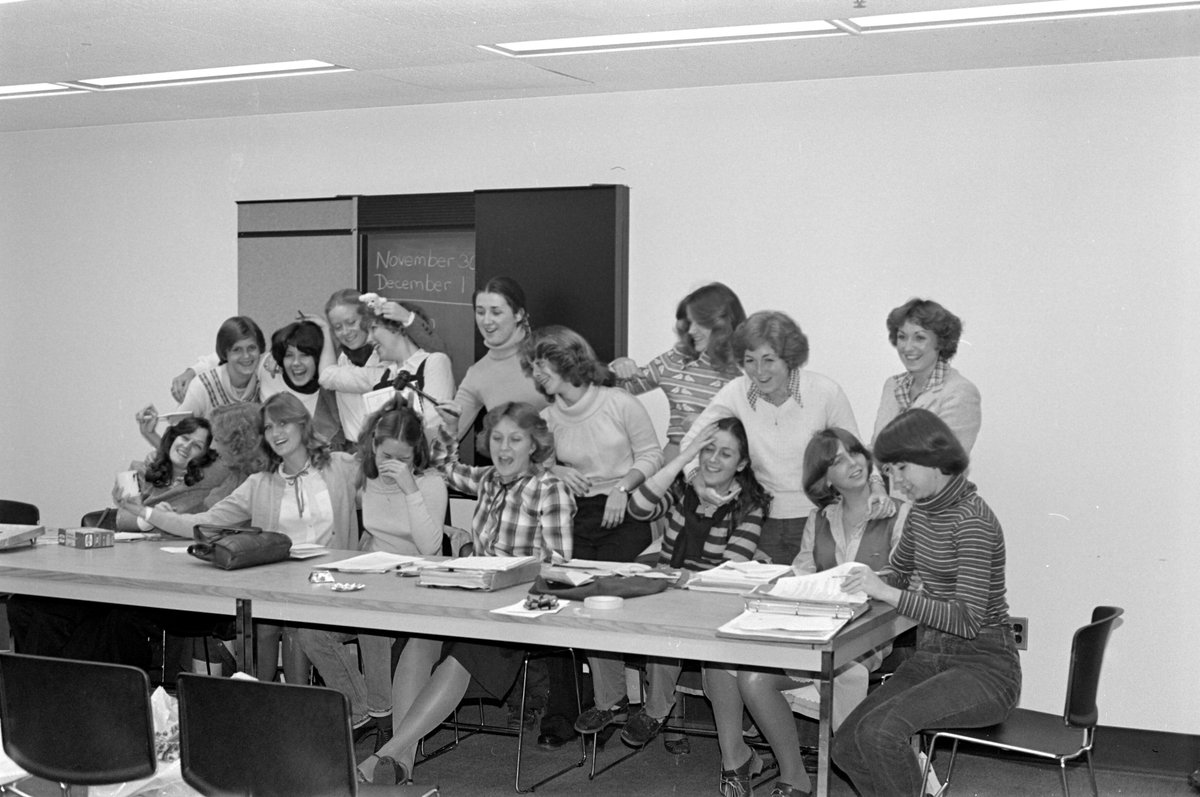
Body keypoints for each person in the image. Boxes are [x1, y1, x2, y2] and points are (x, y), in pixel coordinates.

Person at [356, 402, 574, 785]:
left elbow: (557, 565)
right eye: (498, 438)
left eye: (515, 439)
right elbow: (444, 464)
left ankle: (387, 755)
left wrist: (508, 574)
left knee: (461, 656)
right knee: (421, 638)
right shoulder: (489, 480)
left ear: (533, 446)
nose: (504, 448)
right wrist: (451, 427)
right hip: (473, 597)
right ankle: (401, 762)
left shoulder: (549, 489)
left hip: (516, 609)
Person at [704, 428, 907, 797]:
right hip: (809, 632)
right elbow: (803, 572)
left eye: (855, 453)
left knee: (752, 675)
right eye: (837, 460)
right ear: (824, 478)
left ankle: (791, 774)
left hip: (864, 639)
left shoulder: (898, 513)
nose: (852, 463)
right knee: (728, 665)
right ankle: (780, 772)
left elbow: (913, 582)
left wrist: (874, 580)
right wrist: (778, 581)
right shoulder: (820, 518)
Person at [832, 409, 1021, 797]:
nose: (896, 482)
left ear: (935, 458)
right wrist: (853, 583)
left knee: (882, 734)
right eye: (890, 472)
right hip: (932, 658)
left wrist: (887, 592)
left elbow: (966, 620)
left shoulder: (972, 520)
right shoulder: (923, 513)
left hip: (985, 667)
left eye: (902, 469)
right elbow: (897, 575)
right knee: (847, 746)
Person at [116, 393, 359, 683]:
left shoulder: (340, 466)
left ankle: (297, 706)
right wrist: (146, 512)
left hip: (333, 583)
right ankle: (265, 701)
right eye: (268, 427)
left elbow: (383, 474)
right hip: (279, 584)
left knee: (291, 624)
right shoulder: (260, 483)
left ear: (302, 424)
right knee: (268, 620)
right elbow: (203, 523)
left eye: (283, 423)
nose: (276, 433)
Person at [518, 325, 664, 737]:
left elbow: (651, 455)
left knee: (612, 595)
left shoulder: (618, 402)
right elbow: (528, 461)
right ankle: (611, 701)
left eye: (540, 363)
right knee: (575, 598)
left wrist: (624, 486)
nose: (536, 372)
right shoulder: (547, 417)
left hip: (626, 509)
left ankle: (630, 702)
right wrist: (556, 469)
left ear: (566, 361)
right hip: (577, 514)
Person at [607, 418, 771, 751]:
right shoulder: (684, 490)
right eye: (707, 449)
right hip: (667, 588)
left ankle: (655, 711)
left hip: (713, 600)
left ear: (741, 464)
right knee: (601, 607)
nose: (713, 459)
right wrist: (683, 460)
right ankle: (608, 701)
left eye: (725, 454)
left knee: (667, 623)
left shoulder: (749, 506)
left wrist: (684, 579)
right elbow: (638, 507)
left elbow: (732, 571)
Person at [295, 397, 447, 744]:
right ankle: (362, 711)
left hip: (413, 587)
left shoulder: (430, 484)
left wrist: (410, 490)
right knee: (311, 633)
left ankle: (384, 714)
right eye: (386, 456)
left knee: (371, 622)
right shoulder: (364, 478)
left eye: (403, 459)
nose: (393, 465)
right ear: (373, 447)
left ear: (416, 454)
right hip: (369, 580)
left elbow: (431, 548)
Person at [680, 310, 888, 565]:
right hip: (762, 523)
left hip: (820, 520)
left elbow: (856, 452)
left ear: (789, 358)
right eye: (749, 361)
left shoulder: (825, 392)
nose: (759, 371)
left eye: (769, 360)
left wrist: (877, 487)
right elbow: (690, 443)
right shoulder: (735, 392)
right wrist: (696, 480)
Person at [610, 282, 746, 461]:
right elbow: (618, 390)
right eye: (689, 322)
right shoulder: (676, 360)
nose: (691, 330)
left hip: (720, 468)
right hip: (674, 467)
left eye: (700, 323)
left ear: (721, 324)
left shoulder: (748, 370)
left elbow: (754, 433)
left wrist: (706, 423)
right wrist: (618, 367)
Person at [314, 291, 451, 441]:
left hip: (418, 458)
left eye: (373, 328)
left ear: (396, 327)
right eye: (337, 327)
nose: (370, 338)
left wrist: (409, 319)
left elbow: (434, 428)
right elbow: (327, 376)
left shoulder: (431, 362)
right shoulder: (384, 374)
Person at [440, 276, 547, 436]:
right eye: (480, 312)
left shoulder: (548, 353)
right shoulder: (478, 373)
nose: (487, 321)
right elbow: (449, 435)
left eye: (496, 312)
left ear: (518, 314)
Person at [873, 298, 981, 453]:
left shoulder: (960, 392)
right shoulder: (893, 385)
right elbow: (878, 448)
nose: (908, 347)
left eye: (920, 338)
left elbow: (946, 460)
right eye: (902, 337)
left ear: (941, 342)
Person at [175, 316, 266, 421]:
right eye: (237, 350)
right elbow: (176, 431)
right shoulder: (203, 386)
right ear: (225, 353)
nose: (246, 356)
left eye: (252, 348)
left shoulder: (264, 380)